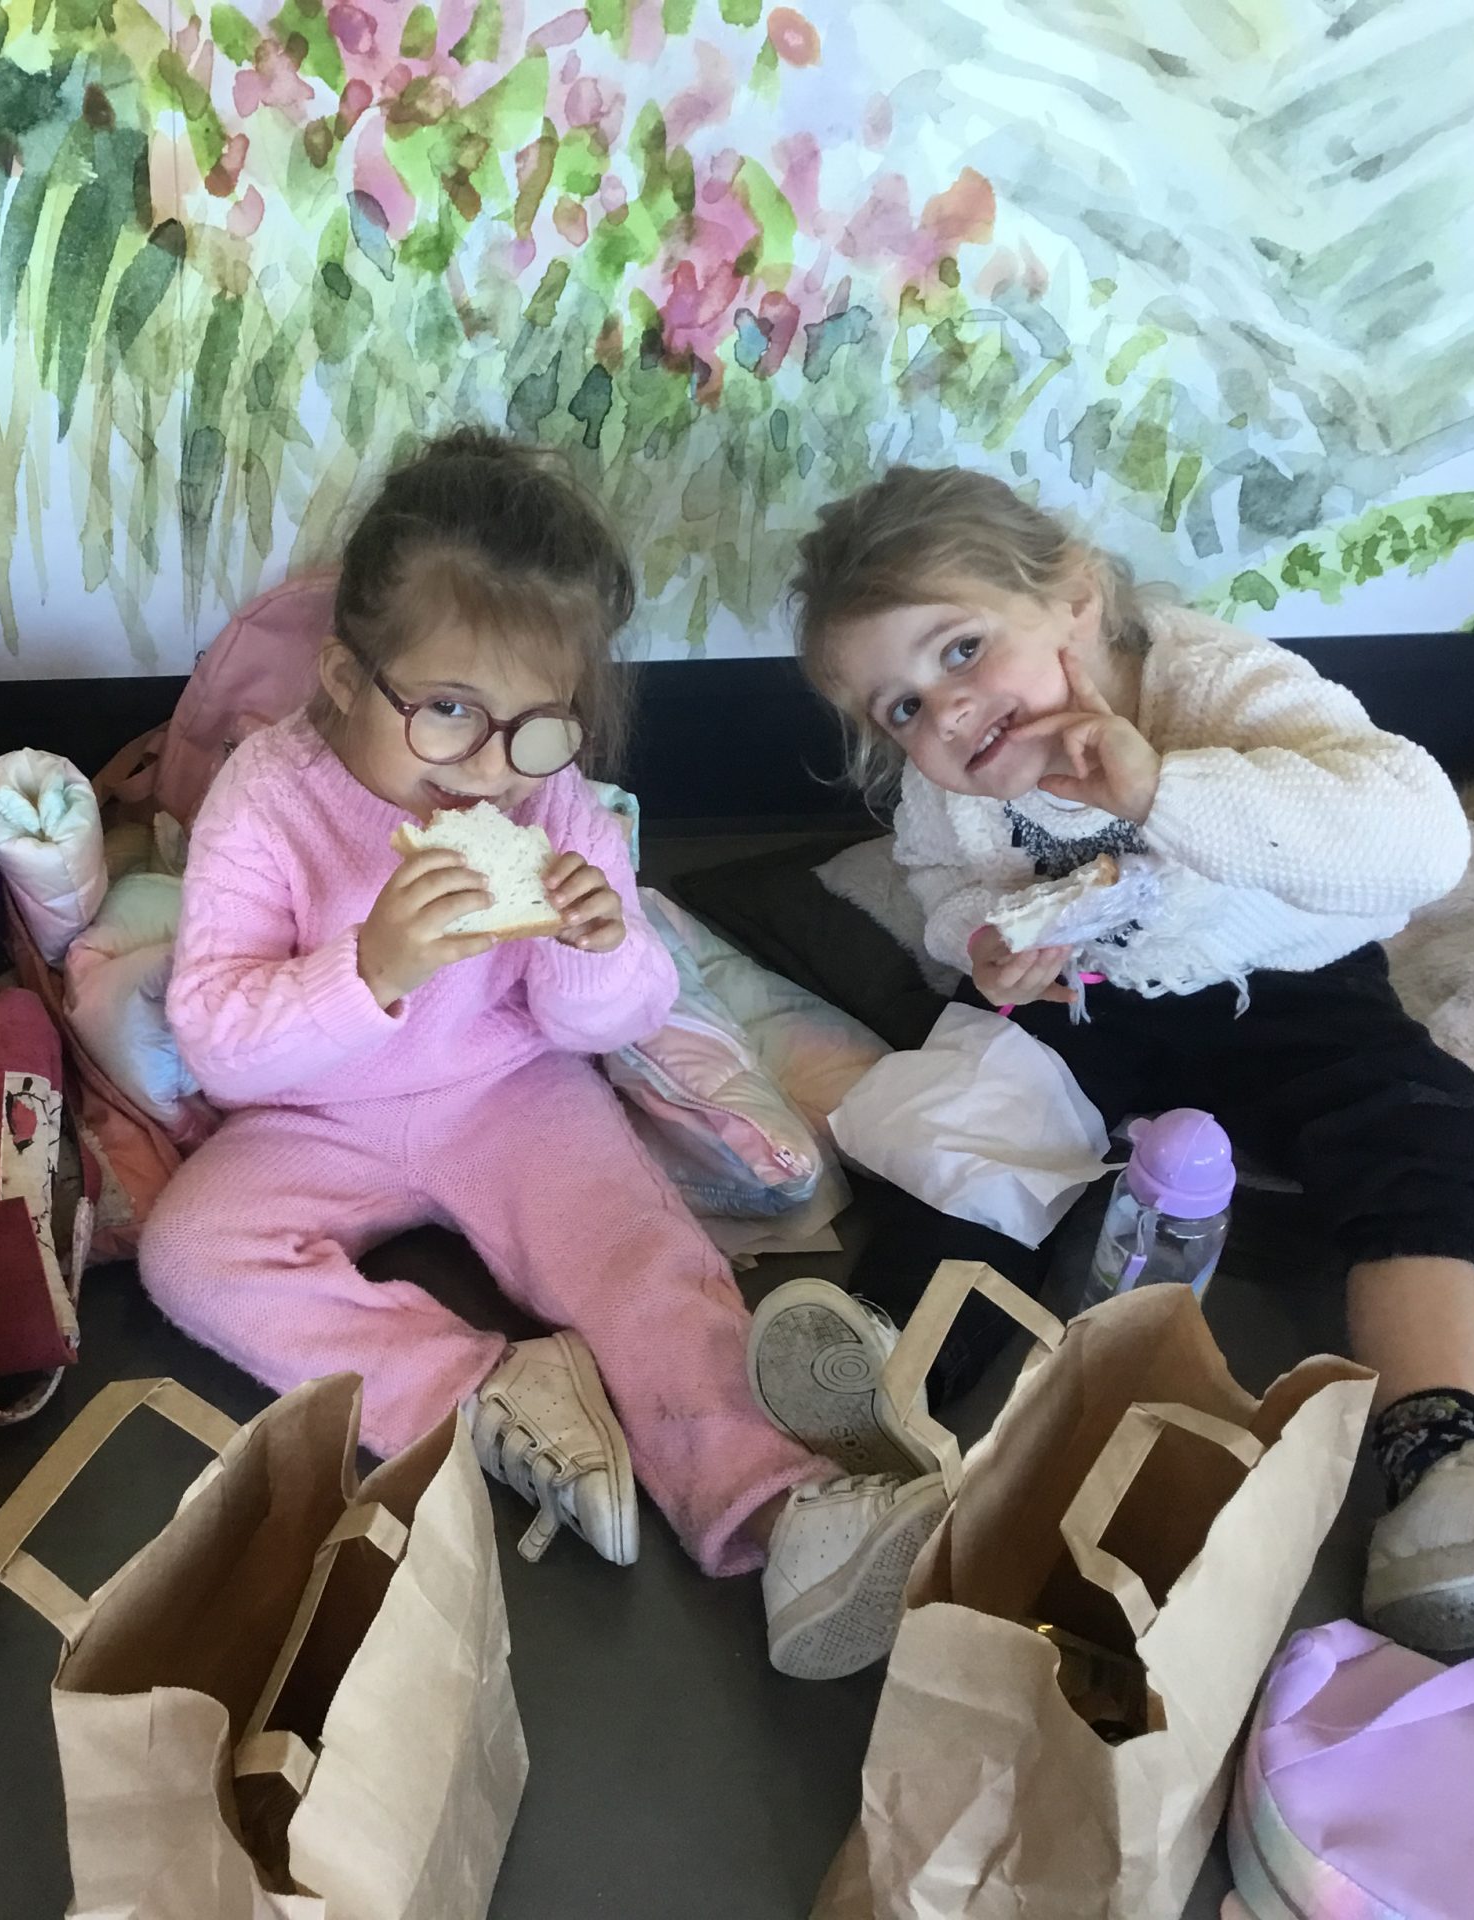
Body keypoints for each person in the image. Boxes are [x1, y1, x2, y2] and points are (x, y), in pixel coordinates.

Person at [757, 464, 1474, 1652]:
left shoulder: (1217, 683)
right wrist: (981, 946)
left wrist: (1163, 788)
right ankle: (875, 1437)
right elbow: (944, 886)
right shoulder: (955, 796)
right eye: (898, 709)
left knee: (1417, 1120)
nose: (943, 716)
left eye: (961, 651)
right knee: (974, 1120)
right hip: (1091, 990)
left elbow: (1413, 836)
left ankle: (1440, 1470)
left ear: (1074, 597)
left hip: (1284, 976)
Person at [140, 429, 941, 1678]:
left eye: (536, 725)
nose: (486, 769)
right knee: (189, 1255)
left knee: (643, 1261)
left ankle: (781, 1507)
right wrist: (369, 969)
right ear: (346, 678)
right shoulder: (268, 794)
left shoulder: (549, 802)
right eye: (449, 711)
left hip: (511, 1088)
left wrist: (593, 943)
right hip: (309, 1116)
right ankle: (484, 1394)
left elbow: (610, 1022)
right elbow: (220, 1042)